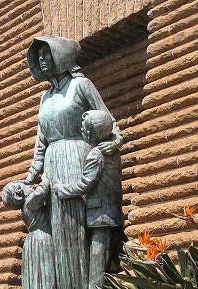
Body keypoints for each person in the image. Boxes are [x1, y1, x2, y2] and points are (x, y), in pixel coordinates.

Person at [23, 36, 123, 289]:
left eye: (47, 53)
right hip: (53, 165)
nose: (43, 59)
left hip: (77, 158)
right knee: (57, 232)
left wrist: (114, 141)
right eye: (40, 56)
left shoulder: (81, 85)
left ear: (61, 56)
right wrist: (31, 175)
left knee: (77, 229)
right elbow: (40, 142)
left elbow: (108, 121)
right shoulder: (45, 98)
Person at [53, 110, 124, 289]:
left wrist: (63, 190)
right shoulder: (113, 152)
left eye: (85, 129)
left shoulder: (96, 154)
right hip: (112, 213)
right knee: (109, 265)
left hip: (99, 217)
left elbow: (85, 184)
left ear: (92, 133)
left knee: (96, 272)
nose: (82, 131)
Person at [2, 180, 56, 289]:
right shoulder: (30, 202)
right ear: (19, 193)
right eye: (25, 186)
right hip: (41, 238)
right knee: (45, 271)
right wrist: (46, 177)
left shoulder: (25, 208)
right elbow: (42, 190)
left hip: (32, 240)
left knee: (36, 272)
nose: (30, 186)